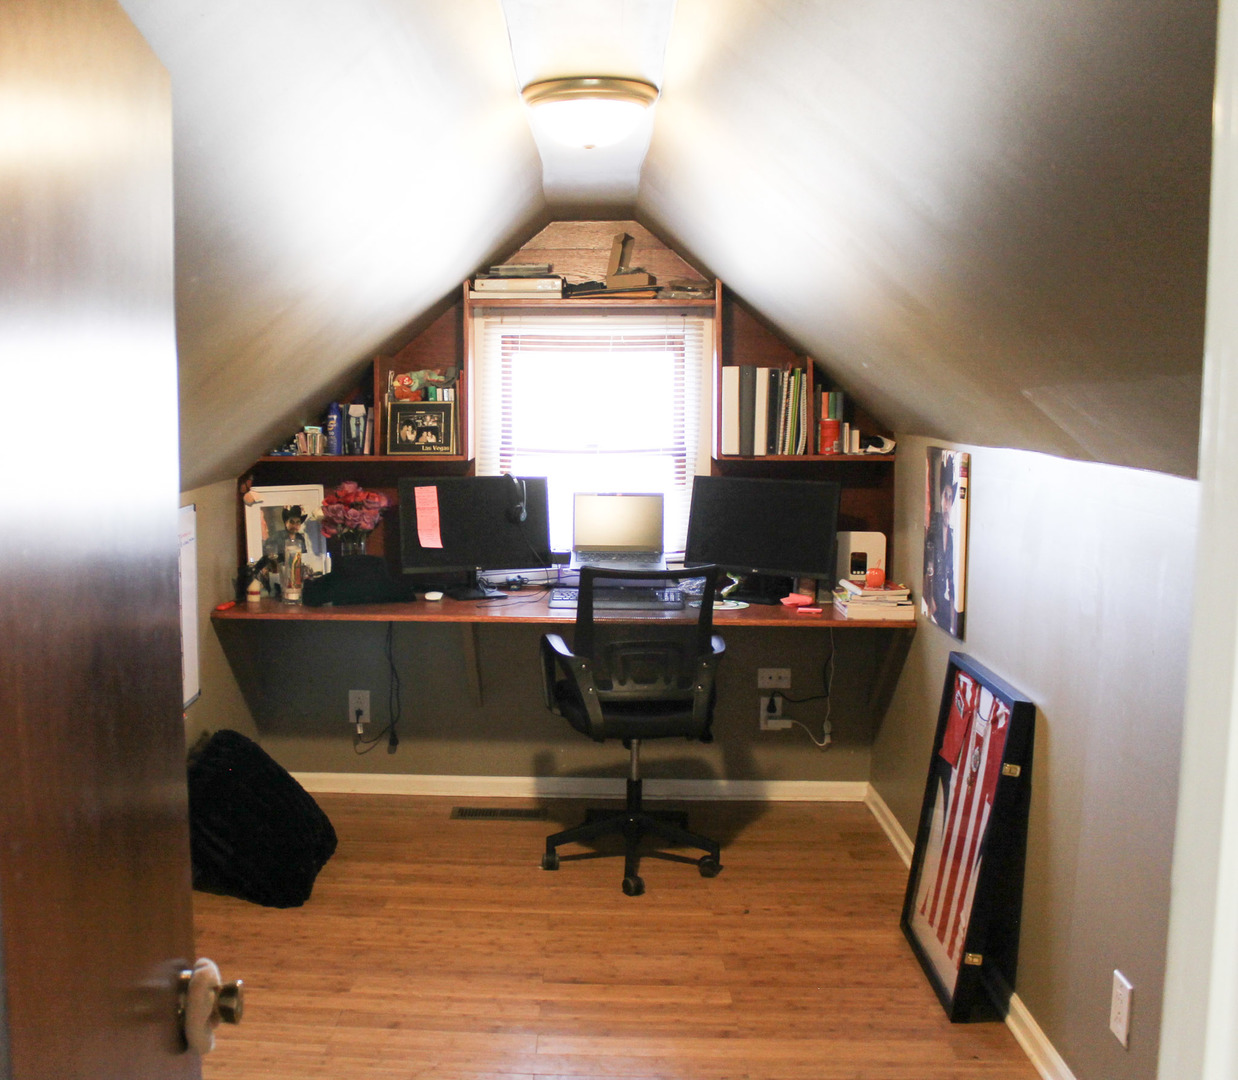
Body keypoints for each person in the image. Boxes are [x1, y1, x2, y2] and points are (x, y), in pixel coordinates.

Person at [924, 456, 957, 635]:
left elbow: (951, 576)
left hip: (944, 605)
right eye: (945, 497)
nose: (946, 504)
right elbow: (927, 569)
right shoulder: (933, 531)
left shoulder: (951, 536)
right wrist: (931, 600)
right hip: (934, 601)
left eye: (950, 498)